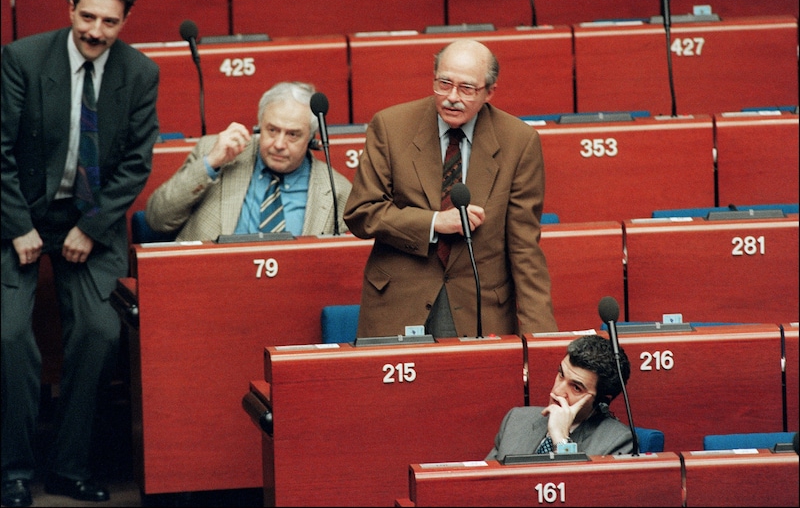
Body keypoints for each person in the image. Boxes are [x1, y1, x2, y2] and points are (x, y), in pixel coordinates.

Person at [1, 0, 159, 506]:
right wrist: (18, 224)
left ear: (125, 19)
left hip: (93, 217)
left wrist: (91, 226)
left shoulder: (139, 73)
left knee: (99, 331)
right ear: (70, 10)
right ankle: (13, 472)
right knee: (8, 336)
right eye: (87, 16)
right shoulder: (23, 58)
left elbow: (136, 162)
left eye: (109, 22)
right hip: (19, 211)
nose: (94, 31)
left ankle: (70, 467)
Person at [343, 39, 557, 339]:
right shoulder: (391, 127)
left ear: (489, 92)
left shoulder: (519, 143)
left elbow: (524, 248)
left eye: (467, 89)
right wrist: (434, 222)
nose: (451, 98)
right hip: (399, 301)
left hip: (479, 309)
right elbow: (361, 212)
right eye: (444, 84)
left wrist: (541, 341)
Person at [145, 81, 352, 240]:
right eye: (272, 130)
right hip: (211, 284)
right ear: (258, 126)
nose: (279, 144)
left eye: (293, 135)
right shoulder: (216, 154)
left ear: (310, 138)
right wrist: (210, 164)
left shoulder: (336, 190)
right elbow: (157, 219)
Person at [486, 334, 633, 460]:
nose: (557, 391)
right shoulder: (516, 420)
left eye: (576, 388)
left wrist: (562, 442)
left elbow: (578, 490)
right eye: (561, 374)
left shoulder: (617, 442)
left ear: (602, 400)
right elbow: (484, 485)